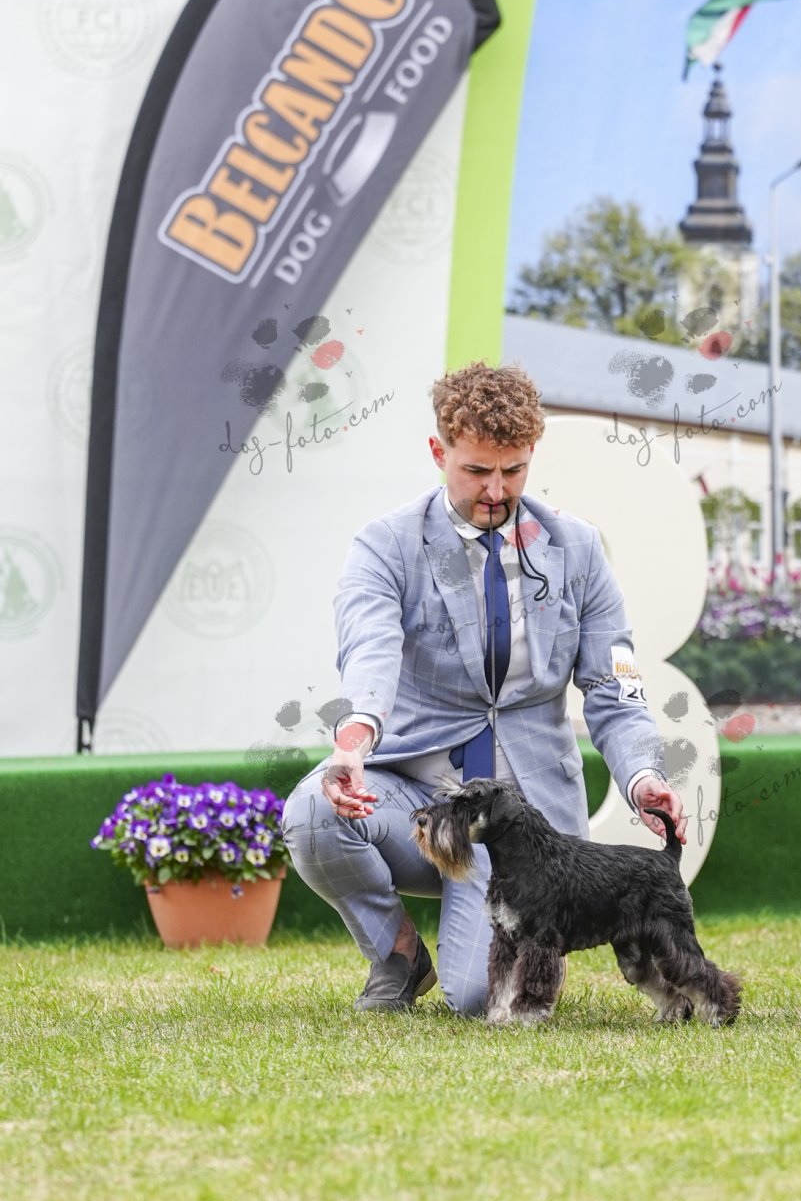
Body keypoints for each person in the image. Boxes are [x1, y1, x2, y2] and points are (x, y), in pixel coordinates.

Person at [280, 360, 685, 1015]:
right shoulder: (384, 546)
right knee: (312, 814)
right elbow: (370, 650)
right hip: (417, 796)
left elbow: (615, 683)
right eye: (476, 471)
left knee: (480, 999)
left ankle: (485, 930)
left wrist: (643, 777)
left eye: (513, 470)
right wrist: (352, 743)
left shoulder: (579, 549)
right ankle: (398, 954)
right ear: (438, 452)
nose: (497, 490)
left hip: (531, 832)